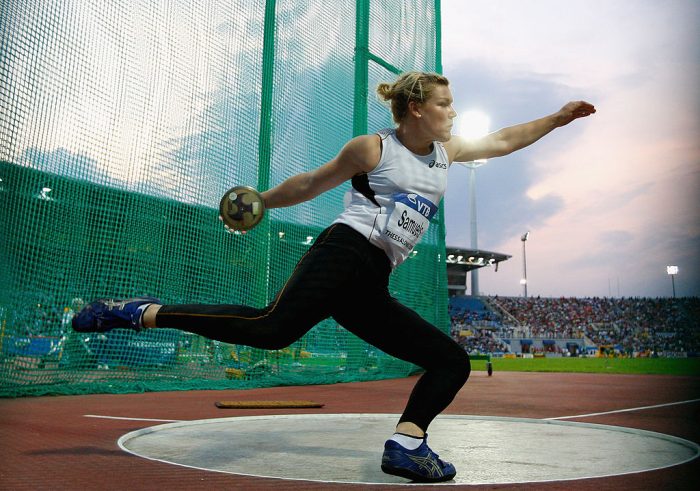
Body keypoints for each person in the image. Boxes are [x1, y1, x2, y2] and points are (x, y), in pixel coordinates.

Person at [72, 71, 595, 483]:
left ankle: (407, 445)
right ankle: (139, 312)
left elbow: (504, 140)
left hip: (372, 279)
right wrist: (261, 200)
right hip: (343, 251)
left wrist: (557, 118)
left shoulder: (446, 154)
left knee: (450, 360)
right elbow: (312, 182)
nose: (452, 111)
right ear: (417, 108)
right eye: (444, 103)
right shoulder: (374, 149)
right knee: (271, 329)